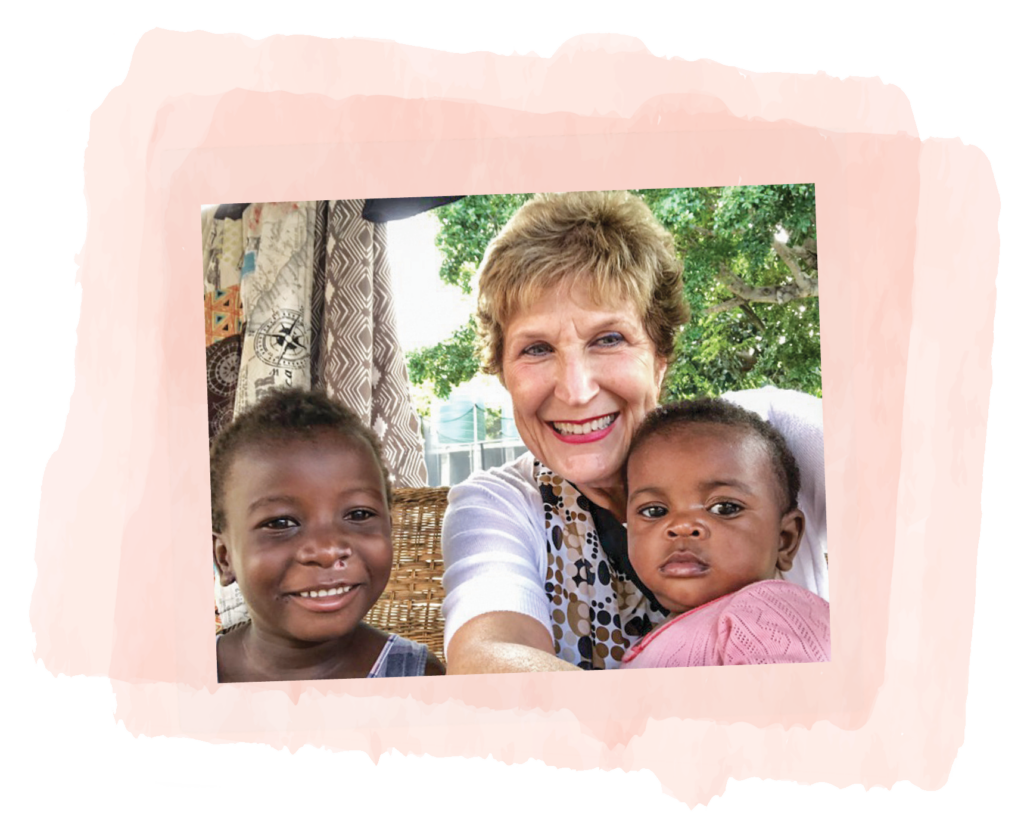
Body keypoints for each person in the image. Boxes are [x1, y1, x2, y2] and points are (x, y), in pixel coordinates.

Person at [441, 190, 827, 673]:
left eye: (608, 339)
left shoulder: (767, 439)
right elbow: (488, 659)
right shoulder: (503, 503)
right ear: (503, 373)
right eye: (536, 349)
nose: (577, 390)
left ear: (660, 358)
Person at [211, 388, 445, 682]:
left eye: (359, 514)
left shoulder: (418, 680)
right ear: (224, 557)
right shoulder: (182, 681)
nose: (327, 550)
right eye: (282, 522)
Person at [620, 399, 830, 668]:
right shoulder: (665, 632)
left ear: (785, 539)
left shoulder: (768, 612)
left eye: (724, 507)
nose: (681, 525)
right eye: (654, 511)